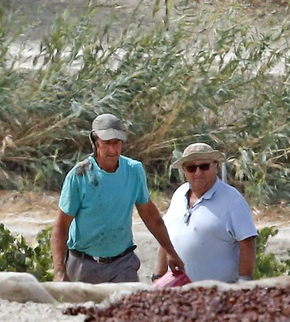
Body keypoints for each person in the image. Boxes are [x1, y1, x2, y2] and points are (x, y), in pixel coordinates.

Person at [51, 114, 181, 284]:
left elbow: (151, 217)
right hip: (84, 263)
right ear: (96, 141)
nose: (113, 150)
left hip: (122, 263)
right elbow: (61, 226)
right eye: (107, 143)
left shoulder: (134, 171)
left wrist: (171, 252)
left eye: (116, 143)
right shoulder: (80, 175)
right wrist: (59, 271)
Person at [161, 142, 258, 284]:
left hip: (219, 294)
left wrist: (243, 281)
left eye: (204, 166)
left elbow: (247, 243)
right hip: (177, 291)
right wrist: (158, 275)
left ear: (216, 166)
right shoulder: (179, 194)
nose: (198, 173)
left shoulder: (232, 199)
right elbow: (165, 236)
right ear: (184, 170)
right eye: (191, 168)